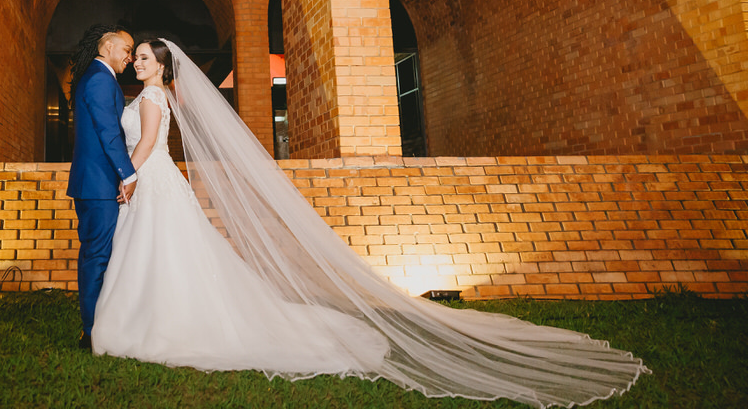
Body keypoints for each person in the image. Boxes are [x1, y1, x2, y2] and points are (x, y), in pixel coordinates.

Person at [91, 38, 649, 408]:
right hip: (157, 184)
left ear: (161, 66)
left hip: (152, 181)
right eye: (135, 57)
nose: (137, 63)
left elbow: (148, 143)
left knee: (166, 253)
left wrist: (127, 177)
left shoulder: (153, 97)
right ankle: (161, 314)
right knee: (171, 255)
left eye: (143, 58)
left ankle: (158, 322)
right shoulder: (155, 93)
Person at [66, 24, 138, 351]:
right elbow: (108, 132)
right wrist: (128, 174)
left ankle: (99, 326)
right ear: (108, 46)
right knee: (97, 257)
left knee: (99, 255)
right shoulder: (99, 79)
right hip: (98, 184)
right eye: (127, 49)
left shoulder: (97, 77)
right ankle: (92, 332)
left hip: (95, 183)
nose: (130, 57)